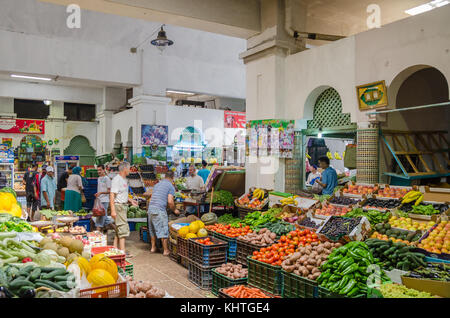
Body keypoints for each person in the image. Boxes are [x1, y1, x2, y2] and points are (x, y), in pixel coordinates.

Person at [147, 170, 180, 256]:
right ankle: (165, 250)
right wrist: (175, 210)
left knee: (152, 229)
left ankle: (153, 247)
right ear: (172, 178)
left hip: (150, 208)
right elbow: (170, 202)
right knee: (163, 229)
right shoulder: (170, 186)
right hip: (159, 209)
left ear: (165, 176)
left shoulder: (157, 185)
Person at [110, 162, 138, 254]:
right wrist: (113, 210)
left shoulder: (124, 180)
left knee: (119, 229)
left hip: (123, 206)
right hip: (119, 206)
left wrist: (130, 200)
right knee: (123, 228)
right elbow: (112, 195)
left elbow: (122, 193)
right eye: (129, 168)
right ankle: (122, 252)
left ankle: (115, 249)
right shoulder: (116, 180)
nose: (130, 170)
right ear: (125, 169)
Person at [94, 165, 113, 231]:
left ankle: (97, 233)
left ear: (104, 170)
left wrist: (101, 193)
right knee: (104, 218)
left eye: (100, 170)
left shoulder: (106, 179)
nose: (98, 171)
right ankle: (117, 230)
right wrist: (98, 194)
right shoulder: (99, 178)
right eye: (98, 170)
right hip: (99, 200)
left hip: (105, 200)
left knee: (100, 218)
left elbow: (109, 191)